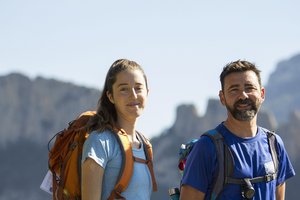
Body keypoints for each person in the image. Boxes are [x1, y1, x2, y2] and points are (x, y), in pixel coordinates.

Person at [180, 60, 296, 200]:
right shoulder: (206, 147)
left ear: (262, 94)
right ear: (222, 98)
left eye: (249, 88)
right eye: (234, 89)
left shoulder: (275, 144)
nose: (243, 95)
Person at [81, 59, 155, 200]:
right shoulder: (100, 141)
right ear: (110, 96)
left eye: (138, 88)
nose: (133, 95)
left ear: (147, 92)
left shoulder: (145, 145)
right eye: (124, 89)